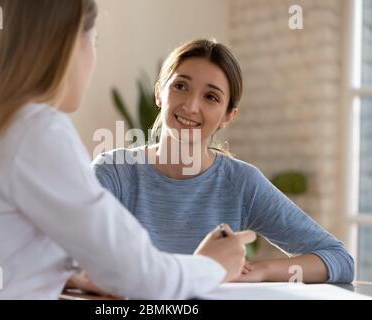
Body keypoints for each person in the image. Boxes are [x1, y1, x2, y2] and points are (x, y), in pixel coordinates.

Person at [0, 1, 256, 300]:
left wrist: (72, 272)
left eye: (211, 97)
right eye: (93, 43)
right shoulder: (37, 131)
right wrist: (211, 265)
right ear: (66, 47)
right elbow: (144, 277)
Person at [91, 39, 354, 285]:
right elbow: (66, 256)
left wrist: (263, 270)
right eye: (180, 86)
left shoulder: (240, 183)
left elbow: (339, 259)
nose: (191, 106)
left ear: (228, 116)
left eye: (211, 97)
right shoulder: (114, 173)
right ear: (160, 92)